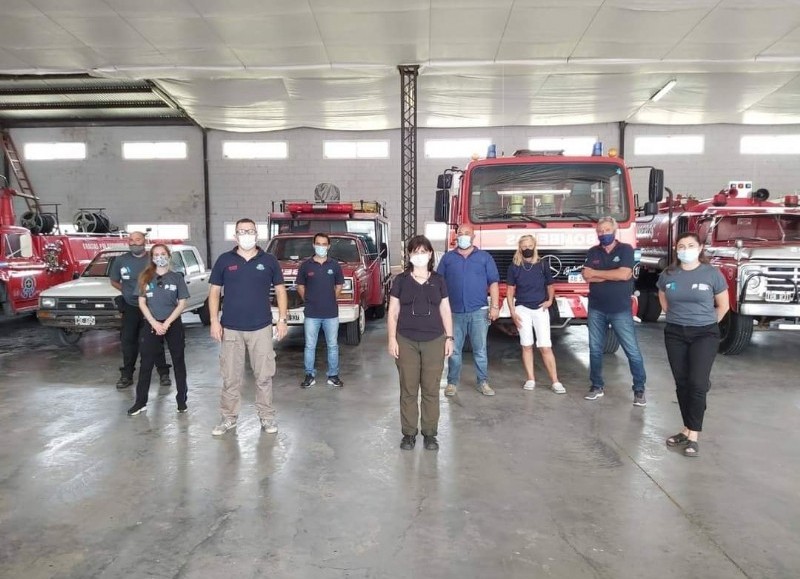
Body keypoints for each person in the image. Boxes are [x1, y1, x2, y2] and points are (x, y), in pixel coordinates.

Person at [208, 218, 288, 436]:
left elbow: (280, 291)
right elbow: (214, 292)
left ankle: (267, 417)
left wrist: (282, 320)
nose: (246, 235)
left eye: (250, 231)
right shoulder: (225, 260)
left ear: (257, 234)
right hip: (231, 328)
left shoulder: (269, 260)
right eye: (242, 231)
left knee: (264, 376)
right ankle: (228, 418)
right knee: (231, 377)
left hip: (261, 327)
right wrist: (214, 321)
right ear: (235, 235)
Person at [658, 232, 729, 457]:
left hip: (704, 334)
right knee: (682, 383)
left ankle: (694, 436)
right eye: (681, 245)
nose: (685, 249)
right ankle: (686, 428)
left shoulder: (711, 274)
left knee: (698, 383)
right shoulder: (669, 274)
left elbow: (723, 306)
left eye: (690, 245)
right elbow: (662, 294)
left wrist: (705, 323)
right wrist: (673, 314)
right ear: (676, 249)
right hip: (675, 333)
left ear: (699, 248)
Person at [388, 236, 453, 450]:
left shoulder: (439, 280)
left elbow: (445, 310)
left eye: (423, 251)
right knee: (408, 389)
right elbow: (393, 312)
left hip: (434, 339)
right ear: (409, 255)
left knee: (431, 389)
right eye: (415, 252)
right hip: (406, 340)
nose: (419, 255)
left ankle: (430, 433)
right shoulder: (401, 280)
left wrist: (449, 337)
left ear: (431, 254)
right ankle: (408, 434)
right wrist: (391, 339)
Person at [582, 216, 647, 405]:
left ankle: (639, 390)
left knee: (632, 350)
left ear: (615, 230)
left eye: (607, 230)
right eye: (600, 231)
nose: (603, 234)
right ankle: (596, 386)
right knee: (595, 350)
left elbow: (625, 274)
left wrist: (598, 273)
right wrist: (613, 275)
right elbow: (587, 276)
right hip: (596, 308)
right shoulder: (593, 251)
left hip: (620, 310)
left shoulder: (626, 249)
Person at [437, 225, 500, 397]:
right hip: (454, 313)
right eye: (460, 234)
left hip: (479, 311)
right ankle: (452, 383)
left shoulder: (484, 257)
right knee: (454, 350)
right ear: (456, 237)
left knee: (480, 350)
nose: (463, 236)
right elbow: (438, 283)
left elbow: (493, 282)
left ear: (473, 237)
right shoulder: (448, 258)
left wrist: (495, 306)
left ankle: (483, 382)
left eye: (467, 234)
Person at [127, 244, 189, 416]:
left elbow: (182, 302)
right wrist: (154, 323)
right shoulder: (145, 278)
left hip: (172, 323)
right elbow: (141, 302)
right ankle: (140, 402)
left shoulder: (176, 278)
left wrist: (167, 322)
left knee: (178, 361)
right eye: (156, 254)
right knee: (146, 362)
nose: (160, 257)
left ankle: (182, 400)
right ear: (152, 257)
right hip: (152, 324)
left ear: (168, 256)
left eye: (163, 254)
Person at [110, 231, 170, 390]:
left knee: (155, 340)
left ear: (144, 241)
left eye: (138, 240)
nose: (134, 243)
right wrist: (128, 292)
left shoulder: (153, 260)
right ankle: (127, 375)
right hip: (130, 307)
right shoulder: (121, 260)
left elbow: (164, 277)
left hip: (152, 307)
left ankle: (163, 373)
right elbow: (114, 281)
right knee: (128, 341)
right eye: (131, 240)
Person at [505, 235, 565, 393]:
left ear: (534, 246)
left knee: (545, 346)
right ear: (519, 248)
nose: (527, 249)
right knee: (526, 345)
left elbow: (550, 285)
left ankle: (555, 381)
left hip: (540, 309)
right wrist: (512, 311)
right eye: (524, 246)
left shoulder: (543, 264)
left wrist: (550, 300)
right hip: (522, 310)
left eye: (529, 246)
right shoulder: (514, 267)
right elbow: (510, 291)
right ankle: (530, 379)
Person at [296, 233, 344, 388]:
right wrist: (309, 299)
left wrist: (330, 299)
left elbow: (339, 286)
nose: (321, 247)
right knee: (310, 346)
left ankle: (333, 375)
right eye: (318, 243)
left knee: (333, 345)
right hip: (311, 313)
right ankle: (309, 375)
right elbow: (300, 286)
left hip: (331, 313)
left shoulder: (334, 265)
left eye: (324, 244)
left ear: (329, 246)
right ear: (313, 245)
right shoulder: (306, 265)